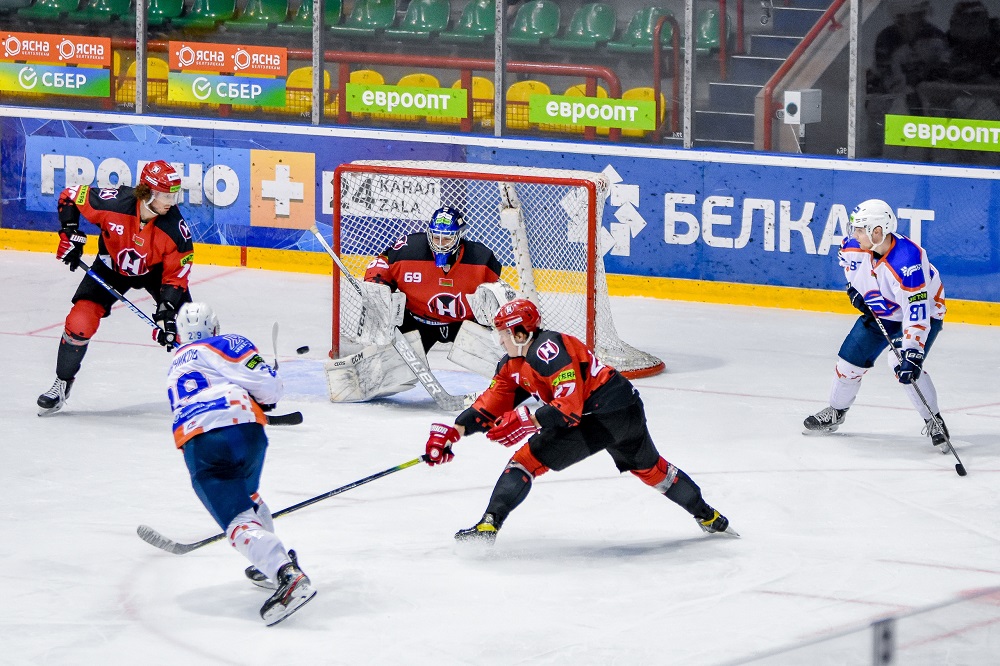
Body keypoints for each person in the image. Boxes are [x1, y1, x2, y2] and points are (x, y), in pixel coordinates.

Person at [422, 298, 737, 543]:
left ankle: (488, 525)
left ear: (520, 331)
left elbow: (568, 409)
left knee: (524, 462)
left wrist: (526, 418)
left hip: (600, 415)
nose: (499, 340)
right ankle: (709, 517)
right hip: (626, 408)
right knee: (653, 470)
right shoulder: (513, 364)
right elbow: (490, 405)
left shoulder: (549, 350)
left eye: (504, 333)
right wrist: (455, 431)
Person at [166, 302, 316, 626]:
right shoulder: (227, 342)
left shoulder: (176, 362)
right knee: (247, 496)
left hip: (202, 440)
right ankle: (270, 563)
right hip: (249, 432)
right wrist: (271, 392)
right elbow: (268, 388)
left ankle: (284, 572)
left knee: (236, 520)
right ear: (215, 327)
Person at [37, 159, 195, 415]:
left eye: (174, 195)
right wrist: (70, 234)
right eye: (166, 195)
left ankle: (209, 388)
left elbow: (176, 276)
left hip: (154, 273)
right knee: (80, 321)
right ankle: (62, 383)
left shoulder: (176, 230)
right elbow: (70, 196)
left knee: (191, 326)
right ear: (147, 192)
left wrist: (166, 312)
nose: (171, 201)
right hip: (110, 267)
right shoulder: (113, 203)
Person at [804, 199, 949, 452]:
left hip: (921, 313)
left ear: (878, 231)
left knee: (901, 365)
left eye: (860, 230)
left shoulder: (908, 261)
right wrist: (855, 291)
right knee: (848, 363)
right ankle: (837, 412)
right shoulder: (852, 246)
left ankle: (934, 419)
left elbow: (916, 311)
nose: (854, 235)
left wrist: (913, 352)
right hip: (881, 311)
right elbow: (852, 272)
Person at [363, 205, 505, 353]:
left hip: (464, 325)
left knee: (497, 356)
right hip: (416, 322)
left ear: (459, 236)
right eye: (436, 237)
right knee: (394, 367)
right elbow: (381, 263)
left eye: (447, 239)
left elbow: (496, 296)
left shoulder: (480, 259)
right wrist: (376, 286)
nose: (440, 244)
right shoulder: (409, 250)